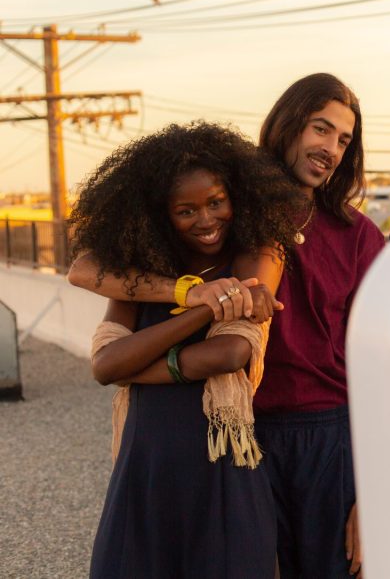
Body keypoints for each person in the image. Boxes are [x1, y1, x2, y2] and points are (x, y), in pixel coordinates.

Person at [68, 73, 386, 578]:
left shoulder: (358, 235)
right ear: (288, 124)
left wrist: (375, 492)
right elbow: (85, 266)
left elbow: (379, 364)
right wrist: (189, 293)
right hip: (242, 431)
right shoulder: (228, 209)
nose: (331, 148)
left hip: (328, 438)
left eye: (344, 140)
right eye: (320, 129)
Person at [72, 122, 304, 578]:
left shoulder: (251, 258)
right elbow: (104, 365)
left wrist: (136, 363)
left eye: (216, 202)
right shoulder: (142, 278)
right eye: (186, 210)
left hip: (222, 468)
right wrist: (200, 301)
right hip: (146, 467)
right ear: (161, 215)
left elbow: (230, 354)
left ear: (236, 196)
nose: (206, 219)